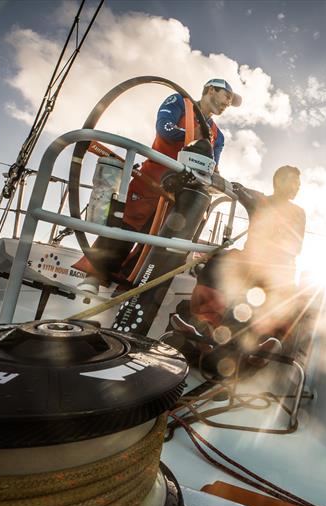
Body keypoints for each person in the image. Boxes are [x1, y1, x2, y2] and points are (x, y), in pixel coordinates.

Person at [75, 78, 242, 293]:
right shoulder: (179, 102)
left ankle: (126, 287)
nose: (228, 103)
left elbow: (213, 167)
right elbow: (165, 129)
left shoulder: (218, 136)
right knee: (126, 224)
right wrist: (195, 142)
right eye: (226, 96)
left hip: (182, 192)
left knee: (157, 240)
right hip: (153, 178)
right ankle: (93, 278)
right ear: (211, 89)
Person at [190, 165, 306, 334]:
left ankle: (228, 332)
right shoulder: (259, 199)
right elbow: (239, 188)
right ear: (279, 181)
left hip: (277, 271)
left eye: (299, 184)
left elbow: (296, 247)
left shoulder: (298, 213)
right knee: (218, 262)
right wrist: (220, 182)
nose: (297, 187)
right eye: (295, 182)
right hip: (252, 264)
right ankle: (203, 323)